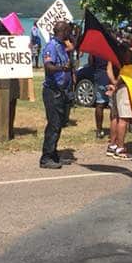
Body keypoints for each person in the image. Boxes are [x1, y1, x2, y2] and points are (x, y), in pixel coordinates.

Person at [40, 20, 73, 169]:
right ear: (62, 31)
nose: (69, 33)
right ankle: (46, 157)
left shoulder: (61, 46)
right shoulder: (51, 46)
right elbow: (48, 66)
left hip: (62, 90)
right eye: (68, 31)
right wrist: (62, 68)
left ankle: (53, 154)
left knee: (59, 123)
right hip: (52, 91)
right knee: (53, 124)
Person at [106, 58, 132, 161]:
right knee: (124, 119)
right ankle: (120, 149)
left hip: (116, 87)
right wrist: (116, 83)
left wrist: (113, 82)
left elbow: (108, 69)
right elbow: (124, 72)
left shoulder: (112, 55)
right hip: (123, 87)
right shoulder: (124, 54)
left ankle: (112, 145)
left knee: (115, 117)